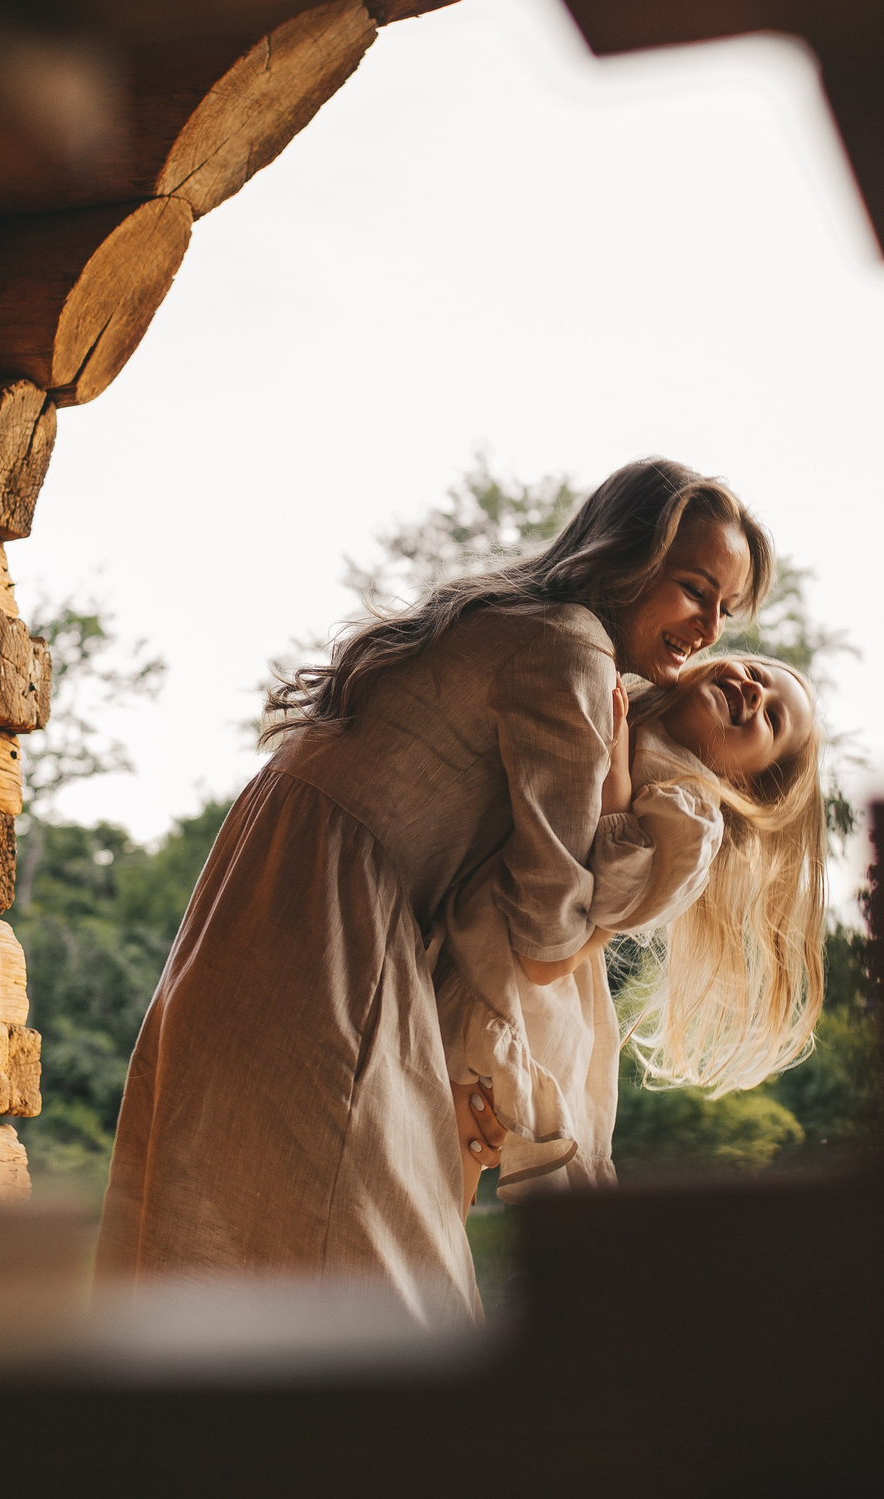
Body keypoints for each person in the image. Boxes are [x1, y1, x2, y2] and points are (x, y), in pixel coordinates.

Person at [95, 458, 776, 1324]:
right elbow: (542, 943)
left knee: (243, 1258)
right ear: (628, 555)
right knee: (396, 1299)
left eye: (727, 609)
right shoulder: (570, 650)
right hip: (329, 944)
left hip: (266, 911)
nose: (710, 626)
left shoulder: (512, 620)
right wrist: (613, 795)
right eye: (694, 588)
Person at [437, 652, 826, 1208]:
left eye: (772, 720)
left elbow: (612, 902)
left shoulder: (692, 819)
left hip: (525, 996)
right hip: (473, 926)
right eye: (757, 675)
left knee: (438, 1178)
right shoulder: (625, 703)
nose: (754, 692)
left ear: (746, 779)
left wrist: (616, 775)